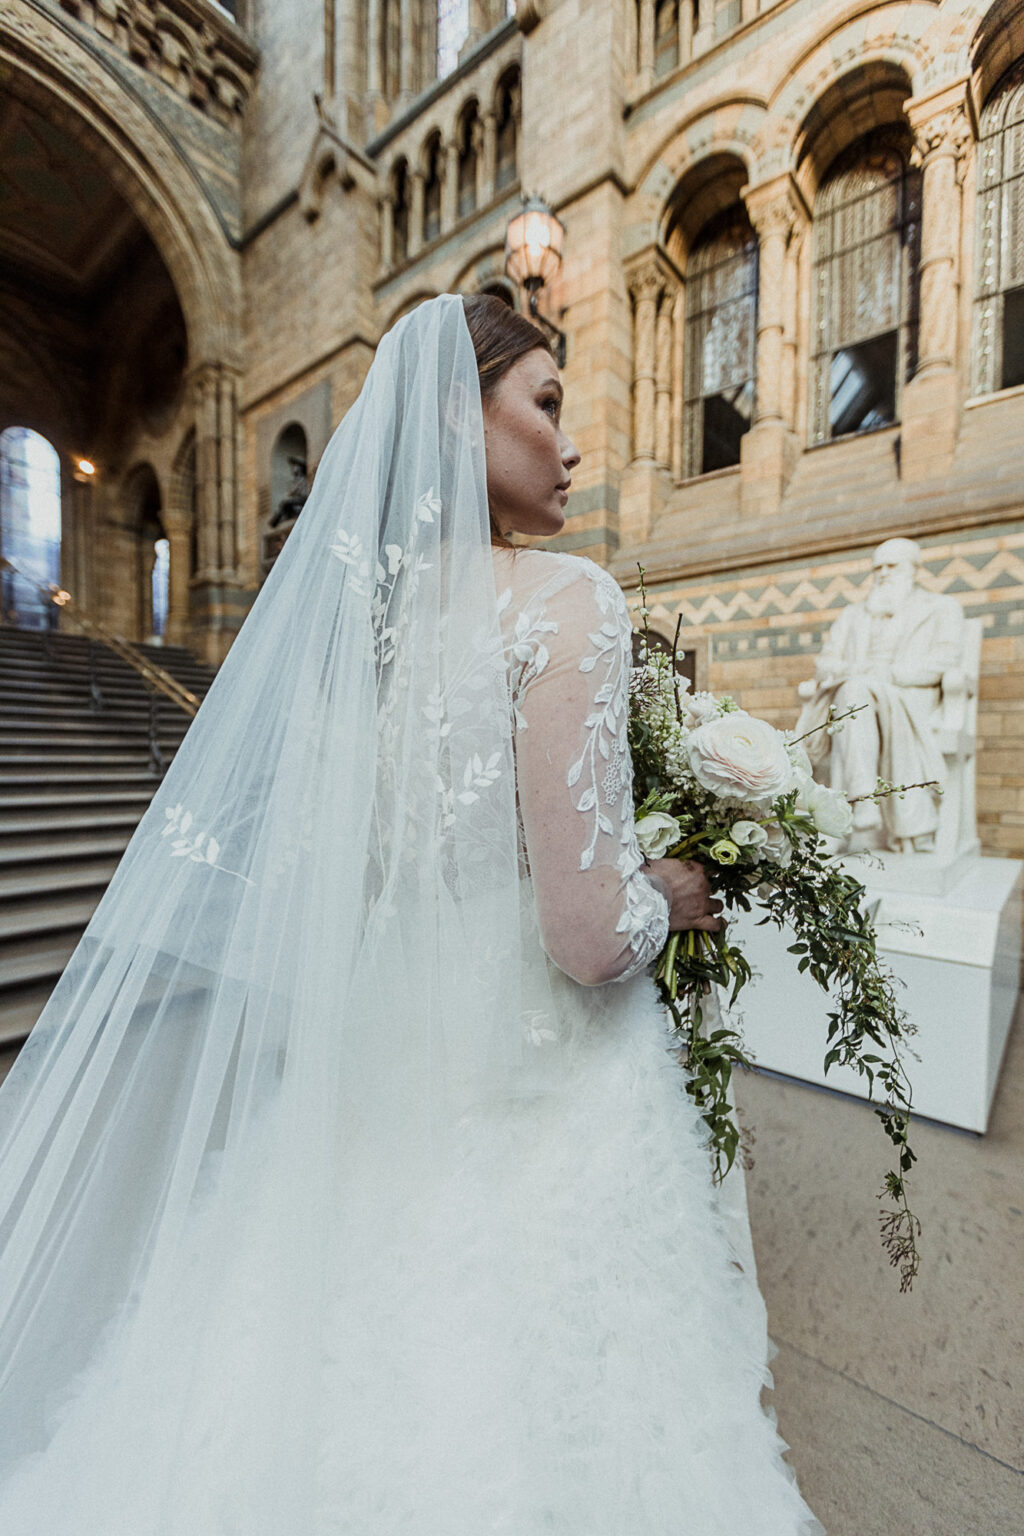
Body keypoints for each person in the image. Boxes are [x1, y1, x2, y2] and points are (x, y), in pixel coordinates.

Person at [0, 295, 820, 1533]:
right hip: (545, 1094)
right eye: (546, 403)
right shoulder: (564, 601)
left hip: (379, 1076)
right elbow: (587, 937)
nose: (572, 444)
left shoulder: (363, 632)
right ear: (457, 412)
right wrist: (671, 890)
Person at [796, 536, 965, 852]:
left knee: (853, 693)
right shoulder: (853, 615)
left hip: (909, 698)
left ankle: (856, 806)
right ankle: (864, 800)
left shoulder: (942, 607)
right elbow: (825, 662)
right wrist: (854, 668)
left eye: (892, 566)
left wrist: (891, 674)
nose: (883, 573)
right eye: (878, 567)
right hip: (856, 694)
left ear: (914, 570)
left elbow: (947, 658)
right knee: (854, 689)